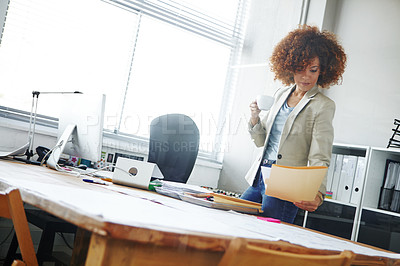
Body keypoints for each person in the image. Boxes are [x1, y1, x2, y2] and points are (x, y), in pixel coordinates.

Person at [241, 25, 347, 224]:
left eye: (313, 70)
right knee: (235, 222)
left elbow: (320, 154)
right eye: (300, 69)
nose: (306, 76)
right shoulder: (281, 94)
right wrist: (255, 117)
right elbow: (261, 141)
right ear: (289, 66)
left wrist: (318, 193)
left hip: (286, 184)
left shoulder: (323, 106)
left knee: (270, 242)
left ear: (322, 70)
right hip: (258, 176)